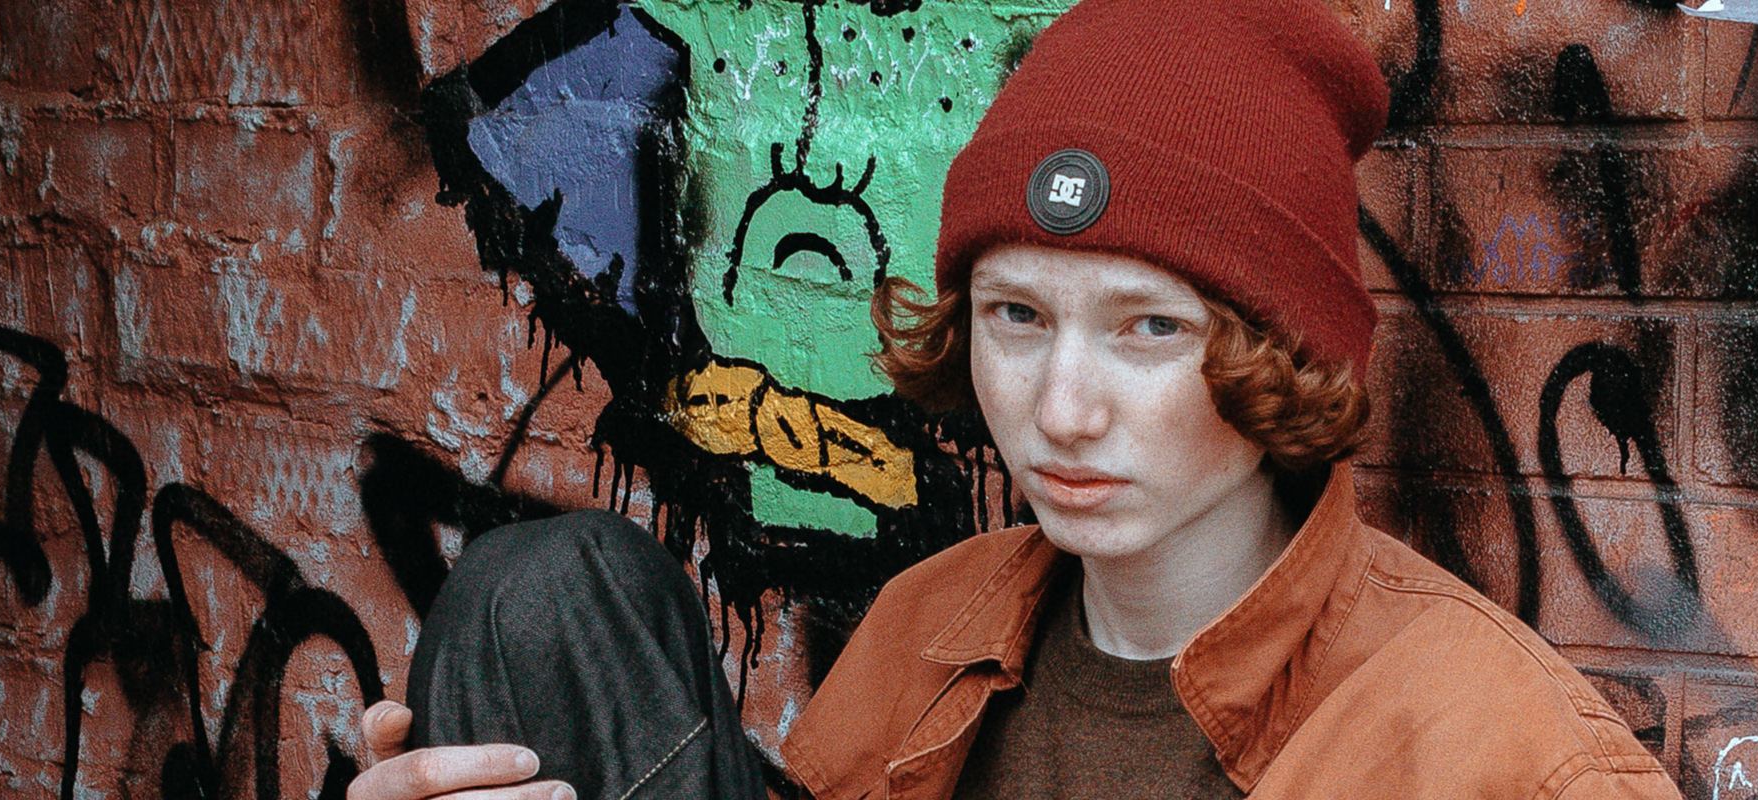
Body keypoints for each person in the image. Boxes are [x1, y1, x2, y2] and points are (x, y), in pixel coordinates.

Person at [351, 0, 1684, 797]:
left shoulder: (1504, 756)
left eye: (1147, 329)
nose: (1061, 406)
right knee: (544, 594)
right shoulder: (934, 624)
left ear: (1279, 355)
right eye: (1017, 318)